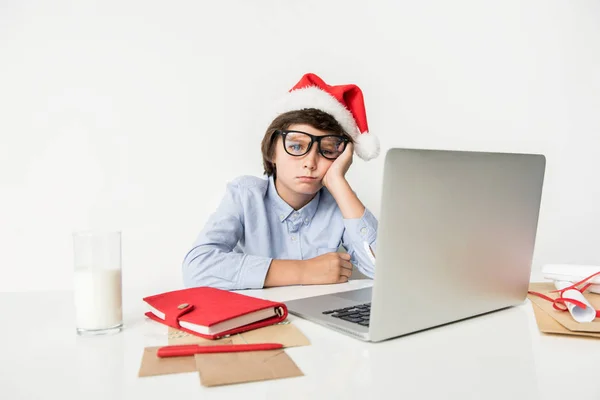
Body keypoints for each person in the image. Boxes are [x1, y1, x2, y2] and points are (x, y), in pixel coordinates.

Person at [182, 73, 380, 290]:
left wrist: (338, 182)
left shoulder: (339, 204)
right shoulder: (245, 195)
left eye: (327, 151)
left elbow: (384, 269)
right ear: (272, 152)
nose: (310, 162)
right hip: (258, 317)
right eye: (296, 147)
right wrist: (303, 271)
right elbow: (196, 268)